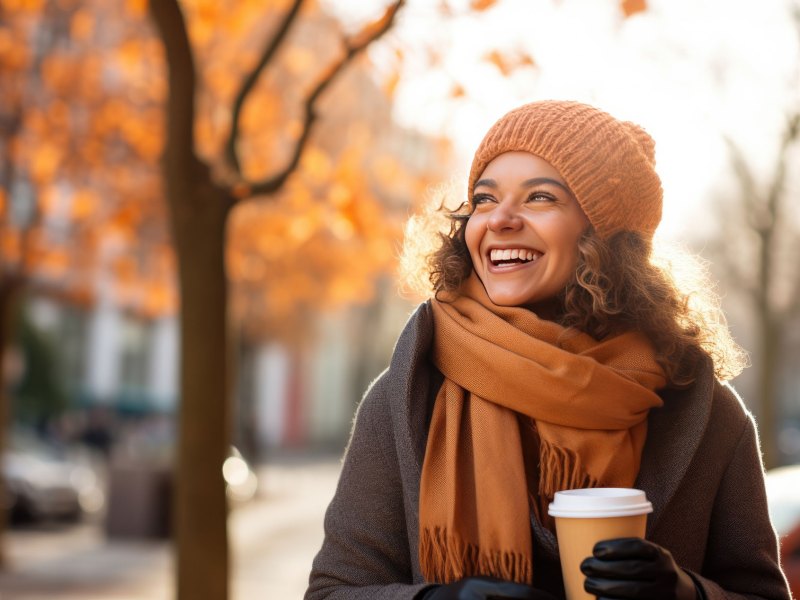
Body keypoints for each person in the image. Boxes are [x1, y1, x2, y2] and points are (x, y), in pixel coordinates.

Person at [305, 100, 792, 600]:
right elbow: (333, 592)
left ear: (604, 233)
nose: (500, 219)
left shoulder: (703, 410)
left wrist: (685, 592)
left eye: (539, 197)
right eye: (484, 199)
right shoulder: (410, 394)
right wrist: (441, 599)